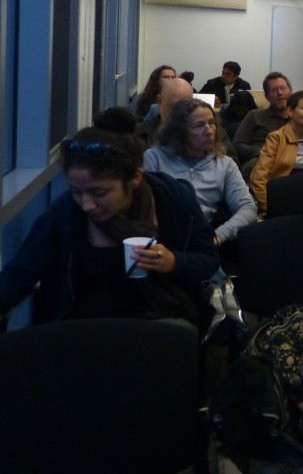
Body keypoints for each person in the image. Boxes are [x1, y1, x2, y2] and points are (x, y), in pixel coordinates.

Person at [0, 107, 218, 325]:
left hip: (155, 319)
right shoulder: (65, 212)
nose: (87, 205)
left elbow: (208, 260)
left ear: (135, 178)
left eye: (99, 193)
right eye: (76, 191)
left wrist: (174, 262)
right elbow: (21, 273)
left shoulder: (172, 199)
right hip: (80, 327)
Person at [143, 99, 257, 261]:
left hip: (200, 243)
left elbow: (248, 207)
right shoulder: (155, 158)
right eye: (199, 125)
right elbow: (142, 206)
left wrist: (218, 236)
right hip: (161, 240)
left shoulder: (224, 164)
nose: (209, 131)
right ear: (180, 131)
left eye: (211, 123)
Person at [249, 91, 303, 216]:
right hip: (283, 201)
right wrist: (270, 208)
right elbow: (258, 180)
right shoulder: (276, 138)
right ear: (290, 111)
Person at [233, 72, 293, 167]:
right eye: (274, 90)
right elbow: (237, 145)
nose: (280, 93)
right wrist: (265, 152)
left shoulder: (298, 119)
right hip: (260, 162)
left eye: (283, 88)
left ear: (290, 91)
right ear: (267, 96)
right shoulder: (255, 116)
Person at [135, 76, 195, 149]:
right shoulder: (137, 135)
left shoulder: (201, 137)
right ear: (159, 101)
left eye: (184, 107)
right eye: (173, 107)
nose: (178, 113)